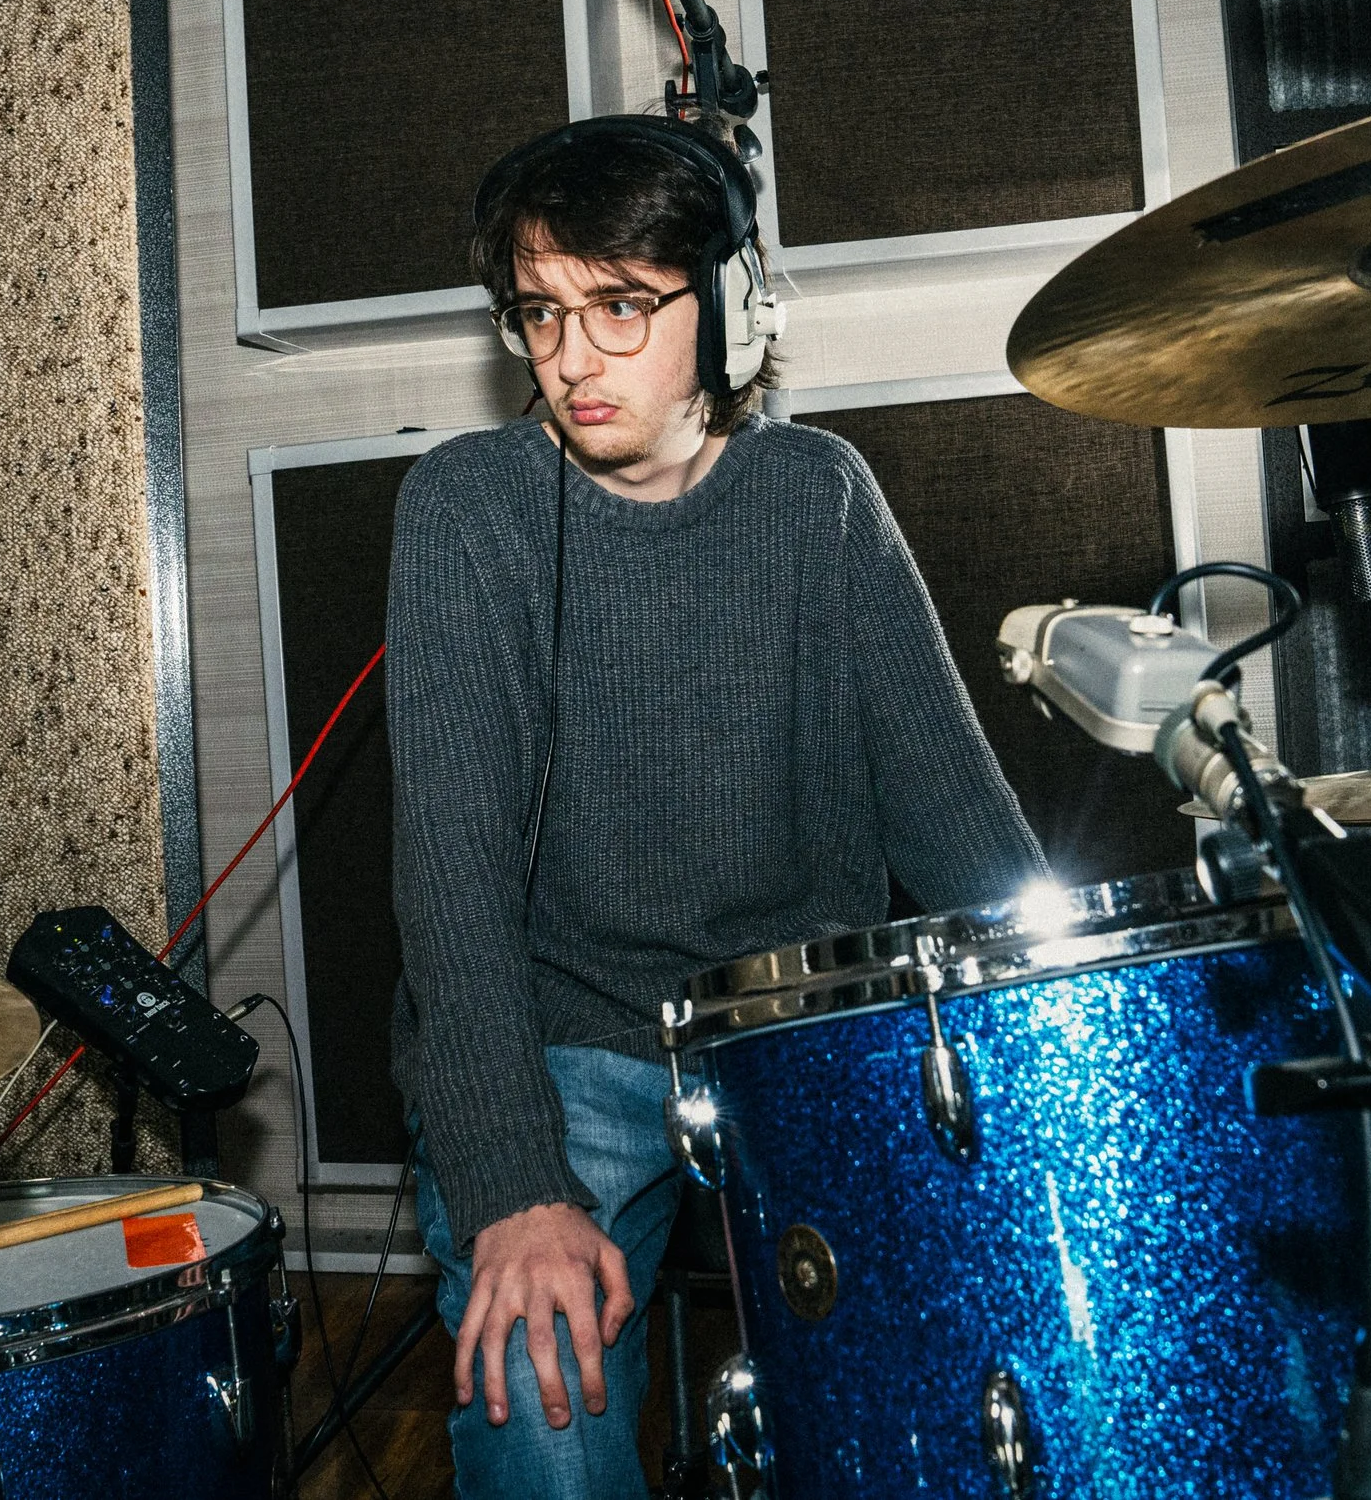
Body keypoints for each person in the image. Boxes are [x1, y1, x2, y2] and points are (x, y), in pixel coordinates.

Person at [385, 114, 1046, 1499]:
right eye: (541, 313)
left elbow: (962, 835)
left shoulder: (820, 498)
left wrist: (1051, 1076)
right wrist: (514, 1188)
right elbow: (449, 896)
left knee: (956, 1387)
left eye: (621, 305)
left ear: (732, 309)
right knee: (543, 1401)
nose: (573, 357)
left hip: (804, 1037)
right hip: (566, 1045)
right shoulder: (467, 509)